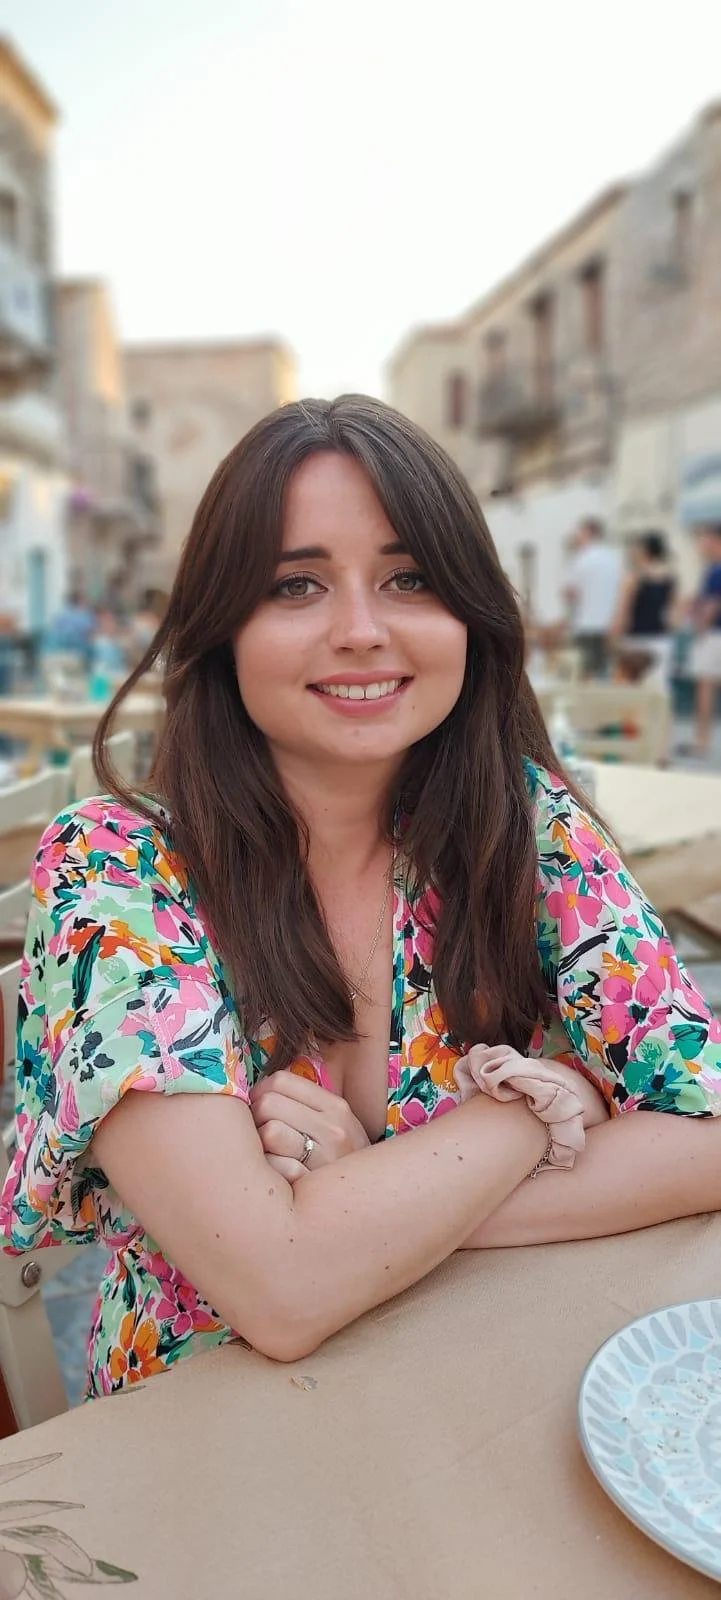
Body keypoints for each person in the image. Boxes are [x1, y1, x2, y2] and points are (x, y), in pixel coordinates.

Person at [1, 396, 719, 1402]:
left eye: (408, 578)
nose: (360, 630)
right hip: (209, 1427)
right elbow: (281, 1287)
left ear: (469, 610)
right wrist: (537, 1114)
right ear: (222, 630)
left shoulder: (525, 821)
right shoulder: (116, 871)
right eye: (295, 585)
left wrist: (365, 1189)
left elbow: (707, 1131)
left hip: (472, 1379)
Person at [610, 531, 677, 688]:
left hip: (635, 638)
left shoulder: (634, 578)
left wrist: (614, 635)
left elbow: (623, 611)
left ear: (645, 551)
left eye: (636, 547)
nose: (632, 551)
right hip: (661, 638)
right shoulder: (670, 578)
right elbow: (674, 615)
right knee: (659, 688)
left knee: (630, 687)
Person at [564, 518, 622, 678]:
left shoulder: (582, 559)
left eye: (579, 532)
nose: (576, 537)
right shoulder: (613, 558)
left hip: (586, 624)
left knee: (585, 672)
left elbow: (570, 592)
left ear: (589, 532)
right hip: (608, 624)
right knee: (605, 673)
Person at [685, 522, 721, 757]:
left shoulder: (716, 570)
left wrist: (700, 627)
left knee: (705, 687)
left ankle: (702, 740)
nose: (701, 544)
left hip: (713, 635)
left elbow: (712, 603)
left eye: (704, 539)